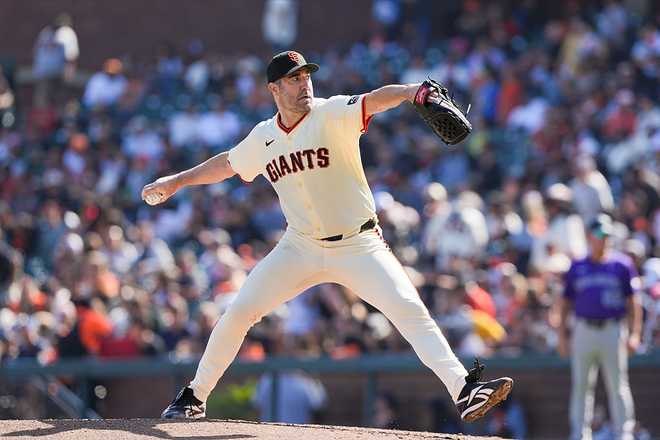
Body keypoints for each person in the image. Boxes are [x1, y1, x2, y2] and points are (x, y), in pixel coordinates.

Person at [143, 50, 513, 422]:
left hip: (358, 243)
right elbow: (227, 163)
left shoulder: (332, 112)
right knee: (239, 311)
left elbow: (373, 100)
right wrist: (176, 181)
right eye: (294, 79)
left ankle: (464, 390)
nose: (304, 83)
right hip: (300, 245)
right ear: (274, 88)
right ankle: (194, 395)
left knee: (409, 311)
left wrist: (410, 91)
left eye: (306, 76)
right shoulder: (264, 137)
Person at [558, 214, 641, 440]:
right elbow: (564, 303)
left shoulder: (622, 265)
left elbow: (634, 302)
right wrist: (562, 336)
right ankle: (579, 434)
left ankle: (624, 433)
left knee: (618, 385)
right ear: (589, 236)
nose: (602, 239)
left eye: (606, 235)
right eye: (598, 235)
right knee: (581, 386)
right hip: (583, 329)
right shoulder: (577, 266)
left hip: (612, 329)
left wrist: (634, 334)